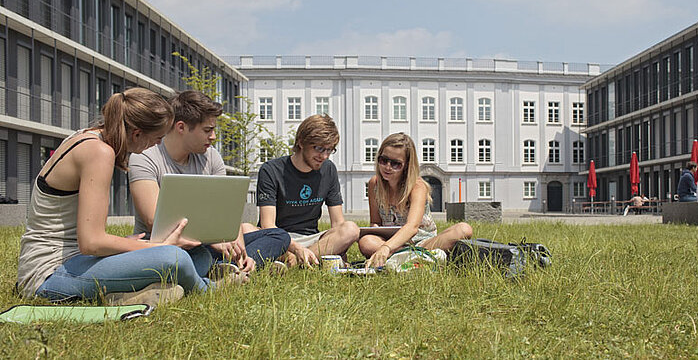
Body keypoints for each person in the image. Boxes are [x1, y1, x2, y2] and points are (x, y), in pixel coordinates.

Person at [17, 88, 215, 306]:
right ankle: (207, 287)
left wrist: (136, 245)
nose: (158, 145)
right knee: (174, 258)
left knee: (199, 256)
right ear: (137, 134)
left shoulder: (89, 138)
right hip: (48, 273)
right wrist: (156, 246)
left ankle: (127, 295)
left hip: (76, 260)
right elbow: (92, 243)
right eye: (157, 138)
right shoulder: (99, 152)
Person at [128, 90, 290, 272]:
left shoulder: (211, 157)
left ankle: (239, 265)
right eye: (207, 130)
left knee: (279, 236)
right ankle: (240, 266)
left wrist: (237, 241)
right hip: (165, 246)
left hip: (209, 244)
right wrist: (212, 240)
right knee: (195, 255)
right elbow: (154, 220)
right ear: (181, 127)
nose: (213, 137)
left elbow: (228, 211)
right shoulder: (144, 157)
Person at [246, 114, 359, 267]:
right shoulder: (271, 170)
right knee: (245, 228)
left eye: (329, 150)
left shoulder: (329, 169)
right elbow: (267, 225)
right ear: (301, 142)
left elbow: (338, 223)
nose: (324, 156)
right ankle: (300, 258)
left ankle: (294, 260)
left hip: (311, 238)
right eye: (319, 148)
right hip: (278, 237)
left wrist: (340, 246)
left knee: (350, 229)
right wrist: (296, 248)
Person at [359, 133, 473, 269]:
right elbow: (376, 222)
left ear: (406, 165)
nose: (387, 167)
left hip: (423, 242)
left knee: (464, 229)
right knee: (366, 242)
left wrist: (385, 248)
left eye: (395, 164)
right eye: (383, 160)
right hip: (392, 243)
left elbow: (412, 227)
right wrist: (378, 235)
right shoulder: (375, 184)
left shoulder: (417, 186)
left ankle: (400, 257)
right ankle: (417, 258)